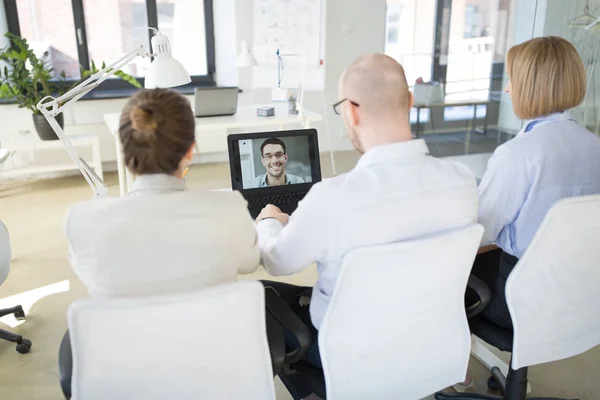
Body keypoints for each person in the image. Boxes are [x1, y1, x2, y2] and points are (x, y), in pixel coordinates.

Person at [256, 53, 479, 369]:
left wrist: (269, 221)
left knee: (267, 292)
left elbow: (277, 262)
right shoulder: (462, 182)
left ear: (350, 111)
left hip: (350, 357)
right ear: (410, 101)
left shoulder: (330, 199)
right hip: (431, 344)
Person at [65, 88, 260, 298]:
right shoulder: (229, 209)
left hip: (127, 331)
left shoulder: (81, 221)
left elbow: (91, 276)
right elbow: (250, 262)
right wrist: (267, 223)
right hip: (209, 329)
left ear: (124, 147)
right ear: (190, 150)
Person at [470, 36, 600, 334]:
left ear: (530, 86)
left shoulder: (520, 154)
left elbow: (479, 229)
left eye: (512, 79)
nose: (506, 88)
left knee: (447, 271)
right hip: (584, 295)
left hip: (520, 301)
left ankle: (457, 370)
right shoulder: (596, 147)